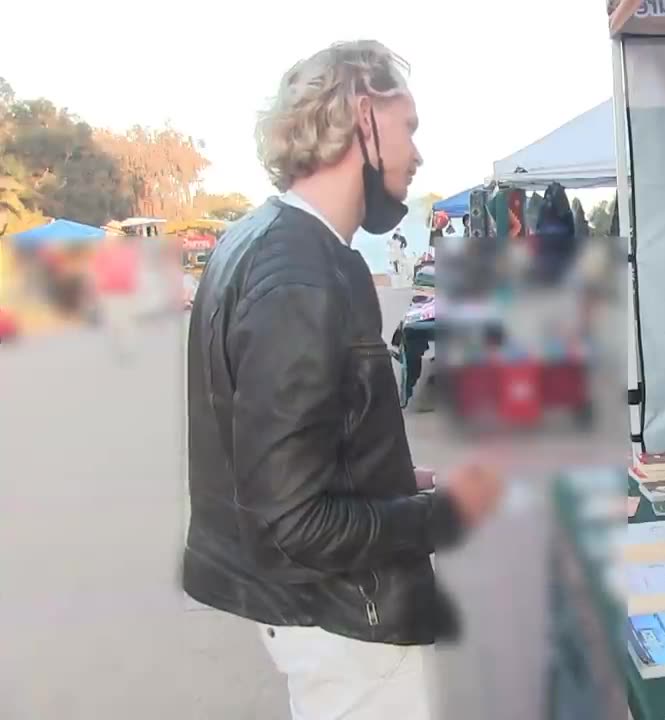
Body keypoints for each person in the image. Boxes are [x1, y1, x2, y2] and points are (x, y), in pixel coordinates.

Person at [183, 40, 505, 720]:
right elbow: (297, 517)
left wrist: (393, 477)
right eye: (408, 127)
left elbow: (295, 453)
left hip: (317, 616)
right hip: (345, 626)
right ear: (363, 117)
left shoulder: (257, 239)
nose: (417, 154)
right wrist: (445, 514)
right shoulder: (302, 269)